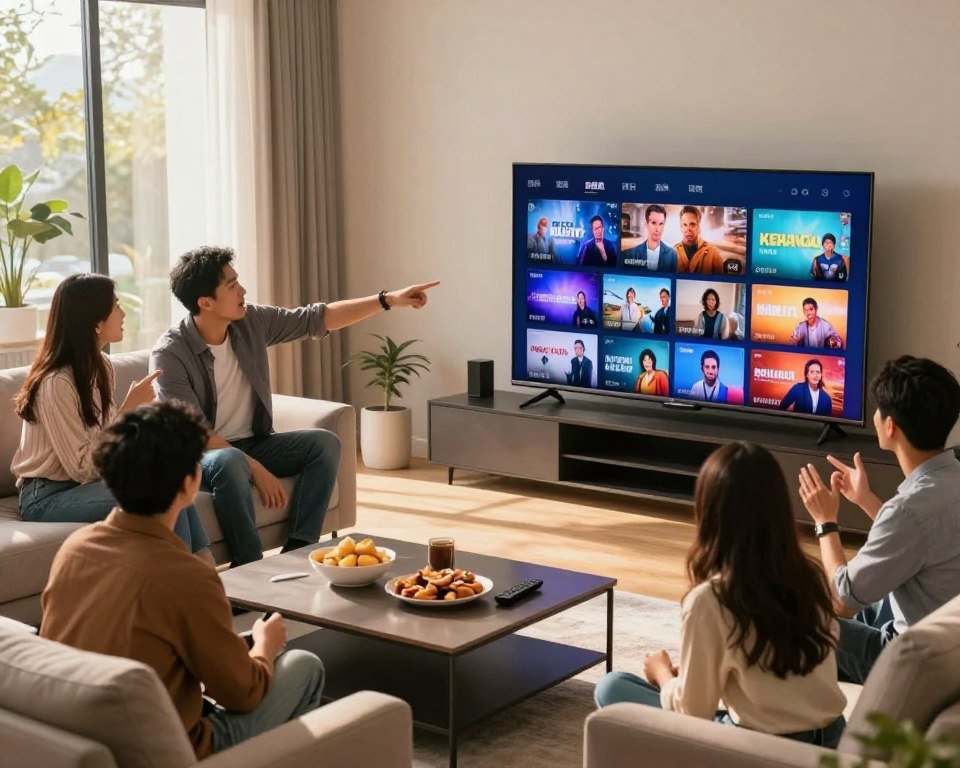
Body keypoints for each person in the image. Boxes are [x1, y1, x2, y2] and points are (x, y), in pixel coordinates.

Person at [40, 401, 325, 759]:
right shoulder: (188, 577)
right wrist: (266, 646)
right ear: (190, 482)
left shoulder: (74, 551)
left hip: (88, 738)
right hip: (172, 749)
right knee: (304, 666)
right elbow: (243, 693)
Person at [151, 245, 438, 566]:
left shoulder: (250, 322)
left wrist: (387, 300)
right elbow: (195, 434)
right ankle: (250, 567)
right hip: (202, 457)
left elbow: (317, 318)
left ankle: (299, 553)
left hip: (254, 443)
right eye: (232, 286)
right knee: (231, 460)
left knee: (324, 443)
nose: (242, 290)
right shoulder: (171, 354)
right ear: (206, 302)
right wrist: (255, 469)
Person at [595, 442, 846, 748]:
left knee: (612, 688)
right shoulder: (810, 578)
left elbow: (692, 714)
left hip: (766, 751)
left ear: (709, 511)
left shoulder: (710, 600)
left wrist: (663, 675)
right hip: (833, 740)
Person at [12, 273, 210, 559]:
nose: (123, 312)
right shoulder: (56, 383)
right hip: (46, 495)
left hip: (84, 485)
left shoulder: (102, 366)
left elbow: (100, 442)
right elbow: (82, 467)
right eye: (116, 306)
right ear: (95, 322)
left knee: (174, 485)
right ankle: (189, 587)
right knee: (162, 496)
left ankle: (207, 579)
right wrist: (127, 410)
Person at [798, 356, 960, 684]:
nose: (874, 415)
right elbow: (922, 539)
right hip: (946, 643)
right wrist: (868, 501)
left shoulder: (906, 511)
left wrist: (825, 522)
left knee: (796, 621)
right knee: (873, 593)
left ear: (890, 426)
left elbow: (841, 600)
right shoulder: (949, 482)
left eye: (878, 410)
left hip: (910, 661)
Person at [621, 204, 678, 272]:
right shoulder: (630, 254)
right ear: (646, 225)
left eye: (661, 224)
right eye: (653, 223)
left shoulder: (672, 255)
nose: (658, 229)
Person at [675, 206, 724, 274]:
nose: (688, 229)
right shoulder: (672, 253)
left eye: (692, 224)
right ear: (681, 228)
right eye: (685, 225)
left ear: (699, 228)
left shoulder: (713, 254)